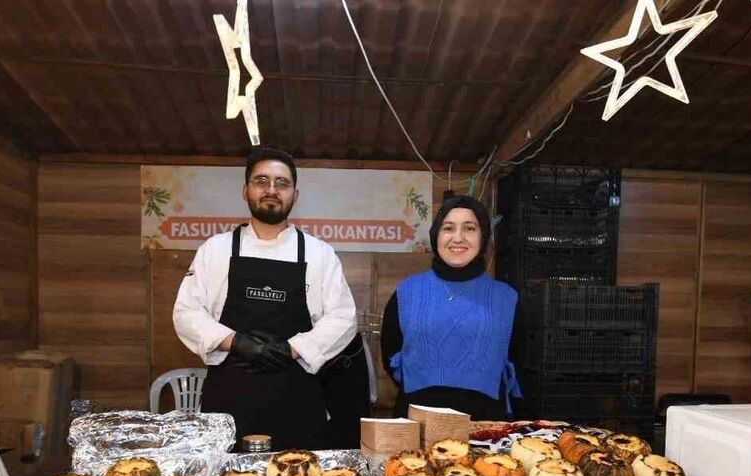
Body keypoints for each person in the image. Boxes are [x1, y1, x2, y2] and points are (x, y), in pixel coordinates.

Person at [173, 147, 357, 450]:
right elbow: (186, 313)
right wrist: (236, 342)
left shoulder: (319, 253)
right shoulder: (215, 250)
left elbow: (343, 318)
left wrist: (292, 349)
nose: (271, 189)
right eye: (261, 181)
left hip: (298, 404)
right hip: (228, 404)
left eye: (282, 183)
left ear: (295, 195)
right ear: (245, 191)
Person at [381, 195, 522, 420]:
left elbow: (518, 360)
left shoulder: (506, 298)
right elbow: (390, 354)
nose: (458, 238)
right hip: (417, 424)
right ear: (436, 235)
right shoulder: (407, 292)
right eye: (448, 228)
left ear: (483, 236)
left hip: (486, 426)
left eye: (469, 228)